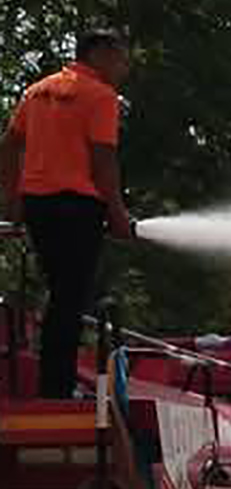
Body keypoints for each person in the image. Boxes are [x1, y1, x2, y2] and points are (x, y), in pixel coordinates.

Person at [1, 29, 134, 398]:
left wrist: (12, 198)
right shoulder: (100, 96)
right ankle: (56, 389)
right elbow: (103, 160)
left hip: (39, 206)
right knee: (70, 298)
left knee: (60, 293)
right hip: (78, 206)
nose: (125, 67)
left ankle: (54, 383)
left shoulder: (38, 91)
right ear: (100, 53)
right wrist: (118, 213)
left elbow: (9, 145)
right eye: (122, 58)